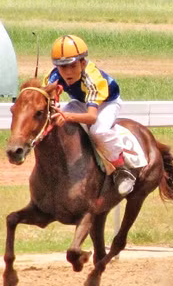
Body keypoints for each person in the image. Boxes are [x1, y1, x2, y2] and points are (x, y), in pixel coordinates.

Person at [43, 34, 135, 196]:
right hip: (81, 101)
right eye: (63, 67)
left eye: (73, 66)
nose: (68, 72)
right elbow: (47, 101)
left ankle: (122, 170)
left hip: (107, 103)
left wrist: (68, 116)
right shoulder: (54, 77)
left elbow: (92, 117)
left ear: (83, 63)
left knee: (98, 131)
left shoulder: (92, 79)